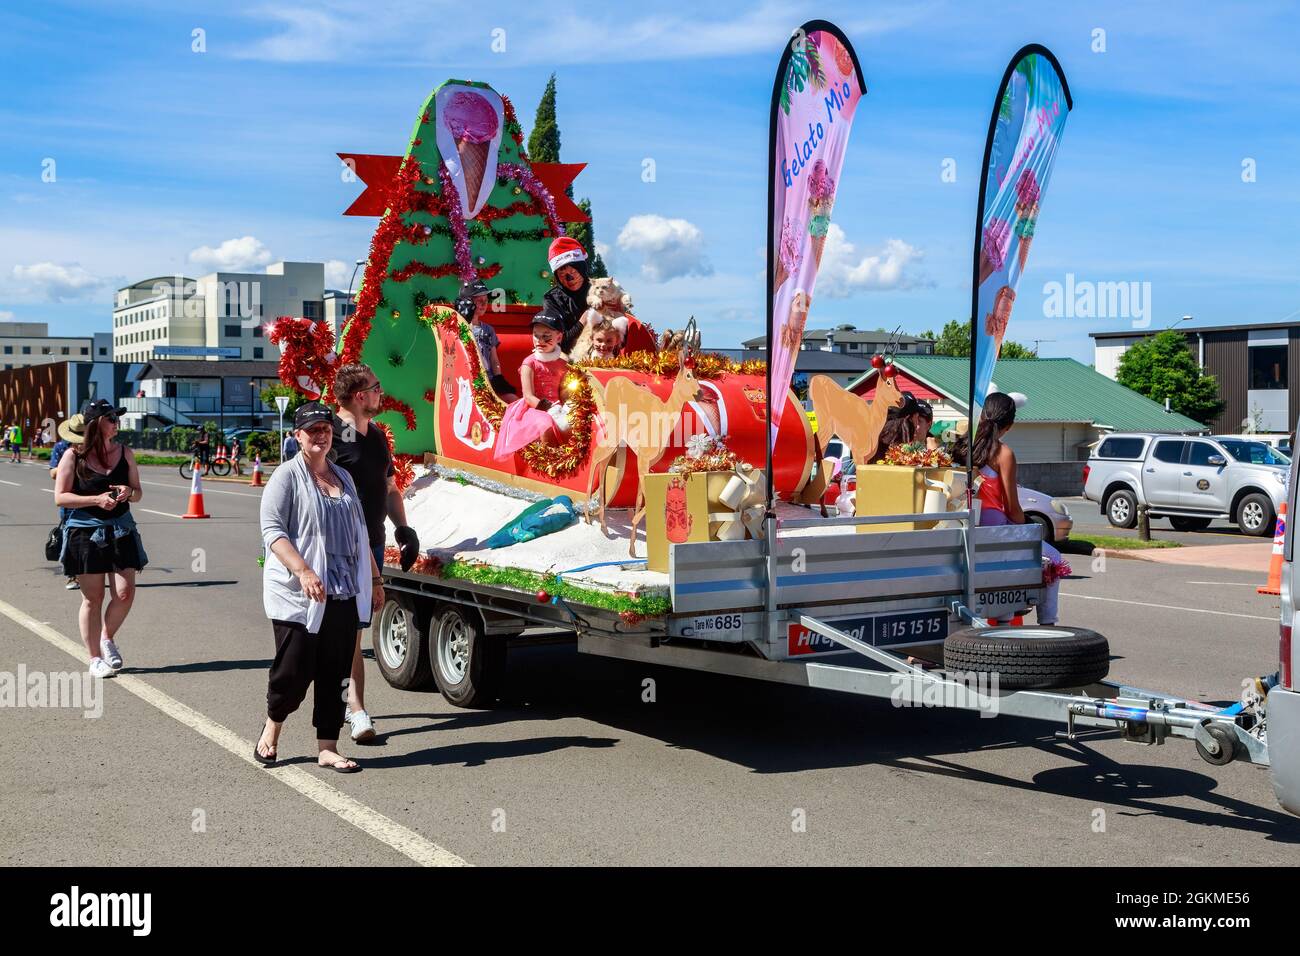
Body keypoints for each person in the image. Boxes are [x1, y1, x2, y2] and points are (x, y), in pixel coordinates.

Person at [255, 402, 382, 772]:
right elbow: (273, 531)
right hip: (300, 594)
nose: (321, 436)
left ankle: (328, 746)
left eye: (325, 429)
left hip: (343, 590)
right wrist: (304, 571)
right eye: (312, 430)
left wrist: (374, 579)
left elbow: (359, 533)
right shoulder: (287, 477)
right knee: (293, 670)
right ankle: (272, 728)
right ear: (298, 436)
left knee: (336, 670)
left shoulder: (343, 476)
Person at [329, 363, 421, 743]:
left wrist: (403, 527)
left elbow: (389, 486)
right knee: (345, 631)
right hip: (337, 548)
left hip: (373, 544)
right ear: (359, 396)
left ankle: (350, 707)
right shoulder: (332, 434)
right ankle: (355, 710)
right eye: (376, 387)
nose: (382, 393)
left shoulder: (377, 435)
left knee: (354, 631)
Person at [952, 391, 1067, 625]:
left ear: (983, 415)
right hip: (994, 529)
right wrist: (1027, 524)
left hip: (963, 526)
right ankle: (1047, 623)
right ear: (1010, 424)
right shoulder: (1003, 453)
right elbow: (1013, 507)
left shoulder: (962, 446)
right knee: (1054, 558)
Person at [53, 400, 146, 677]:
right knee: (93, 599)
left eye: (117, 418)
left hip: (121, 529)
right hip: (85, 531)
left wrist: (128, 493)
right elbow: (60, 496)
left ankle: (107, 638)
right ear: (96, 424)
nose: (117, 423)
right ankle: (94, 658)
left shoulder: (125, 453)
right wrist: (96, 499)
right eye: (111, 418)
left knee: (124, 592)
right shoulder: (73, 455)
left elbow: (139, 492)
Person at [493, 308, 572, 460]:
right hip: (534, 408)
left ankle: (568, 460)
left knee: (574, 421)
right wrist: (548, 408)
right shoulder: (529, 363)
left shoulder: (563, 364)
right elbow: (528, 396)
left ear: (559, 337)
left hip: (558, 406)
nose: (540, 341)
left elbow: (565, 391)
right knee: (546, 423)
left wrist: (568, 404)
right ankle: (548, 461)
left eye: (546, 336)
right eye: (536, 335)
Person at [458, 278, 518, 401]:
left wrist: (498, 377)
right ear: (467, 302)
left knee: (513, 400)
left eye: (486, 300)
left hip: (489, 380)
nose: (484, 304)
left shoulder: (488, 329)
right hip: (468, 381)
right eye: (479, 300)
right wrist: (465, 317)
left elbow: (494, 359)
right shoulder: (458, 327)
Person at [50, 414, 85, 590]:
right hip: (69, 500)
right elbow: (52, 473)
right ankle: (72, 575)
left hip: (89, 500)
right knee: (69, 537)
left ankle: (91, 573)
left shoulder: (92, 447)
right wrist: (68, 465)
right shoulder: (61, 447)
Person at [542, 236, 591, 354]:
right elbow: (557, 342)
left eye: (573, 271)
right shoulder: (552, 299)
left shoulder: (599, 289)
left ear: (582, 269)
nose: (570, 279)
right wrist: (583, 320)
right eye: (563, 275)